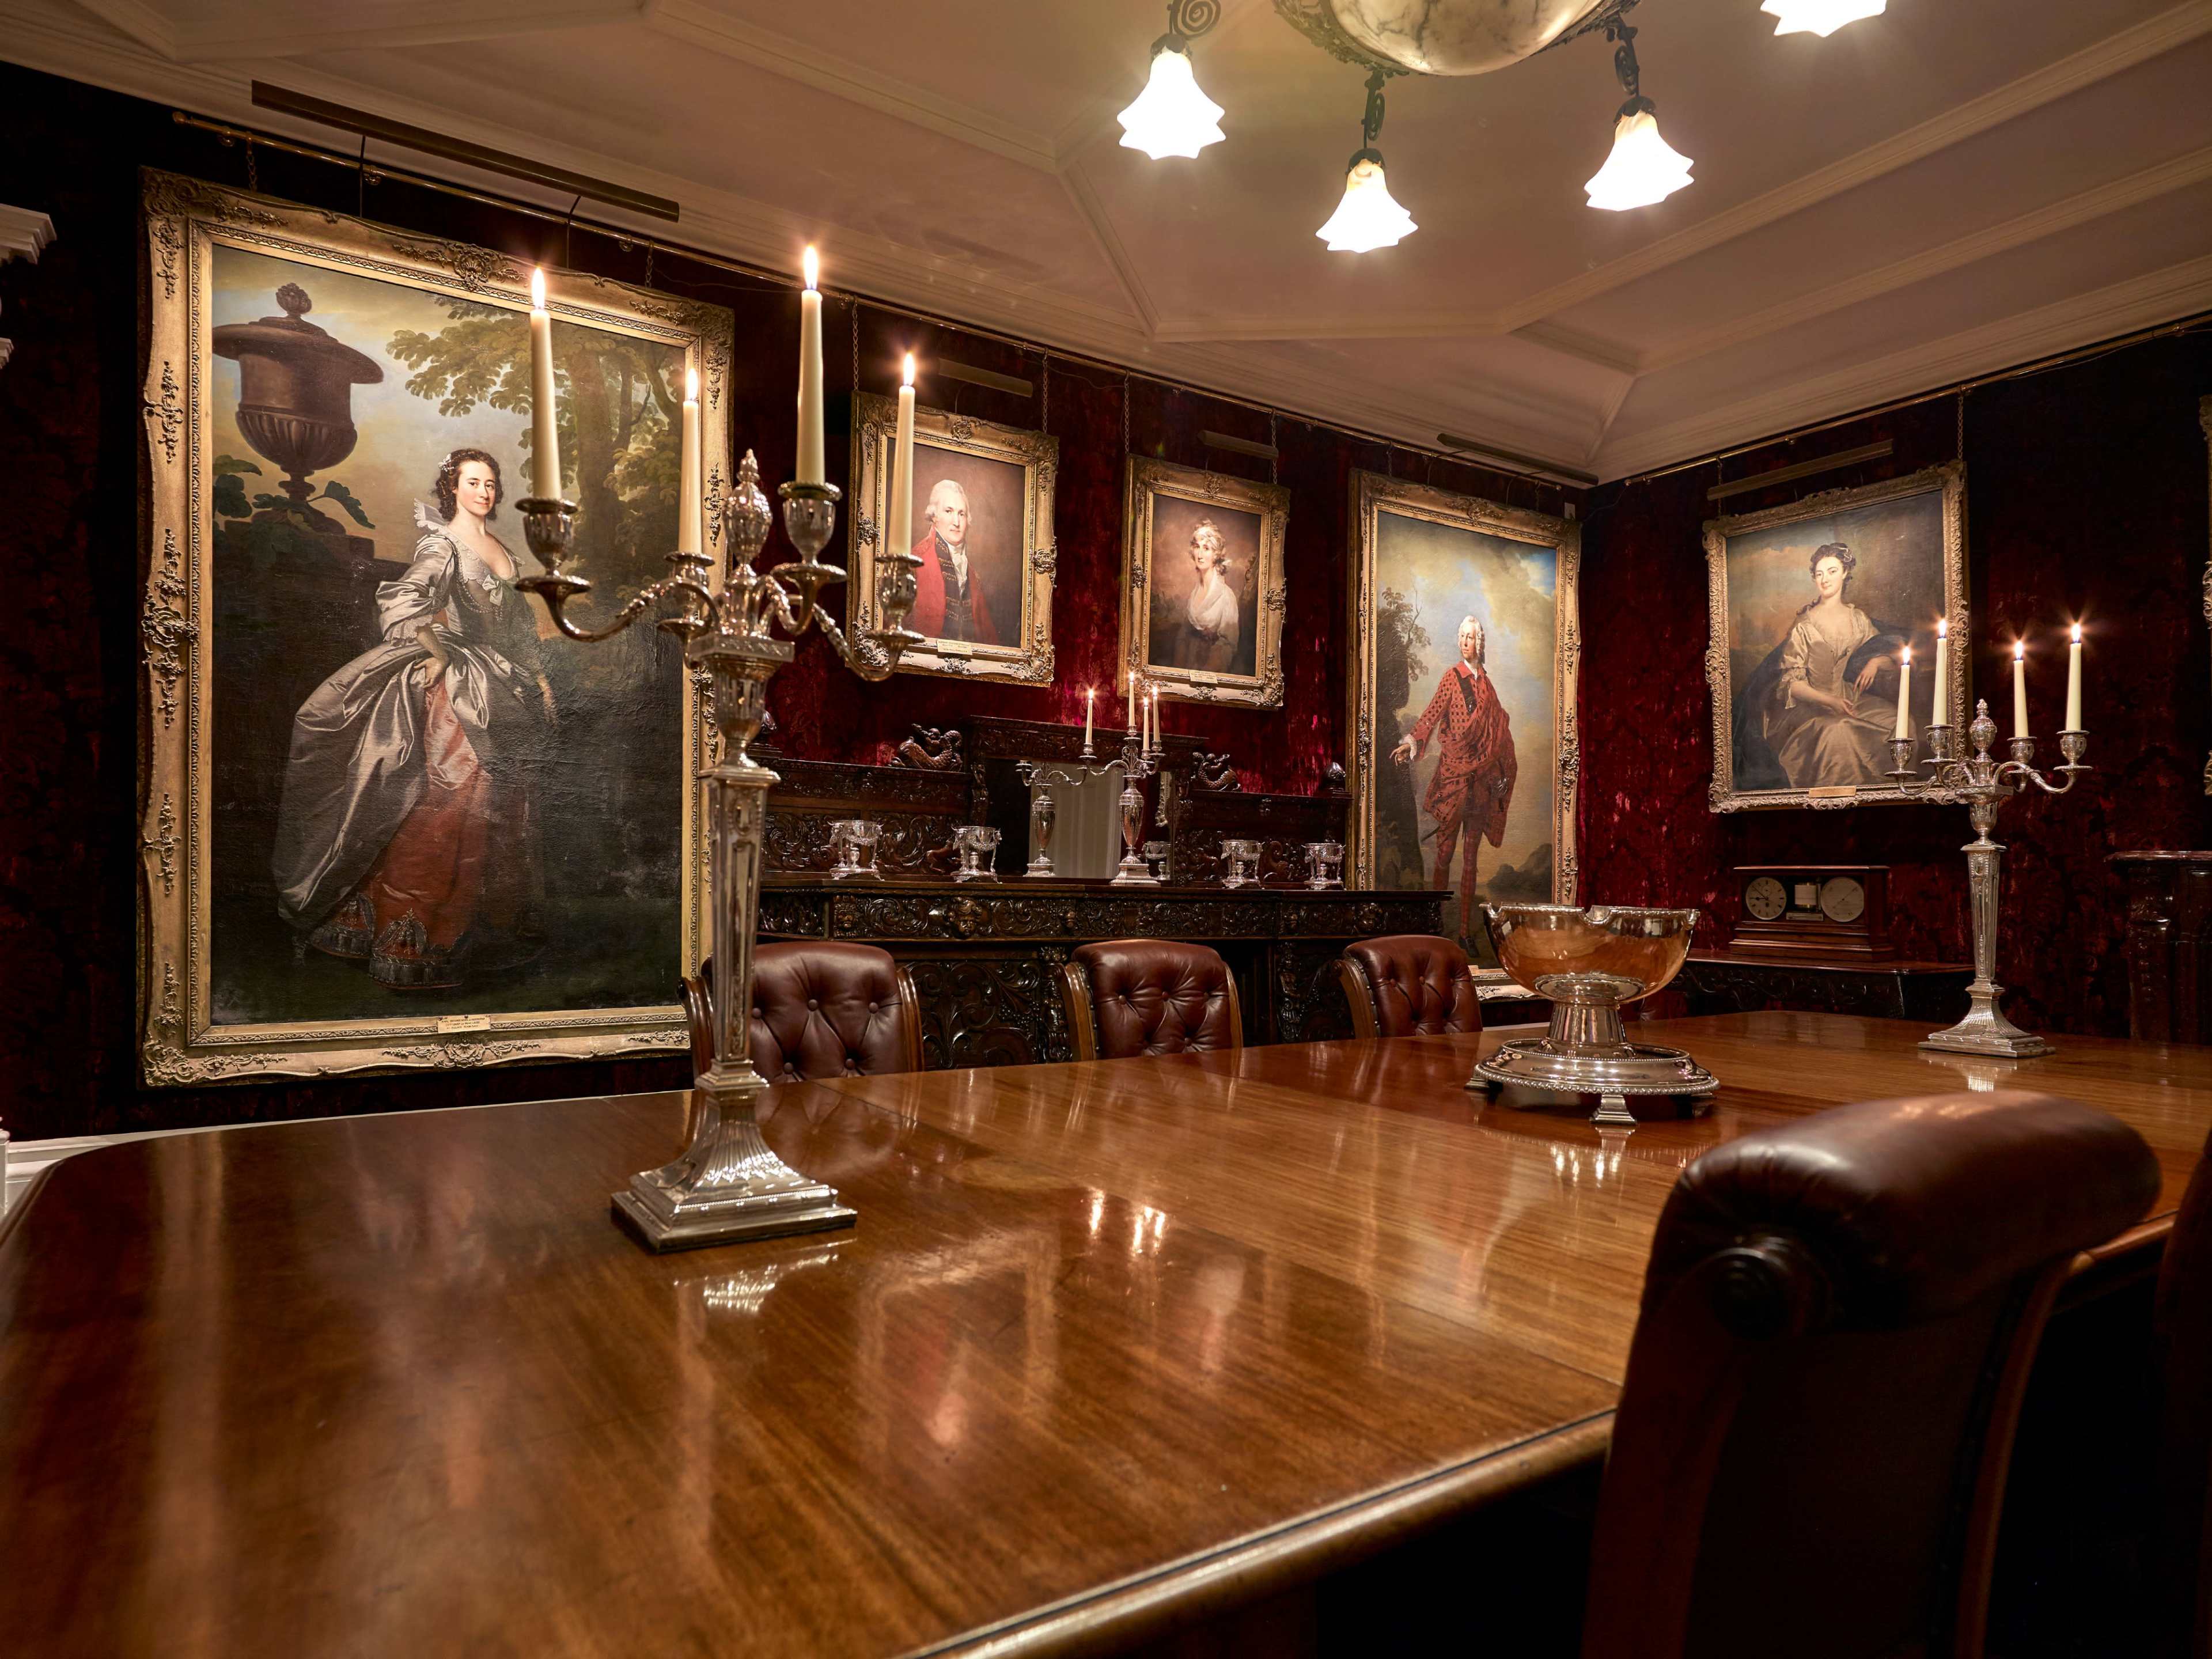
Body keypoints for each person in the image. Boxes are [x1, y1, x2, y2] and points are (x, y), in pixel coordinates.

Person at [271, 448, 553, 989]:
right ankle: (409, 924)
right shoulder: (442, 544)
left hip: (502, 680)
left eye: (492, 483)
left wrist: (537, 678)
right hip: (457, 685)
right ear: (453, 487)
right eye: (474, 482)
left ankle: (468, 923)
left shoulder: (502, 550)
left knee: (496, 800)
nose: (485, 492)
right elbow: (404, 602)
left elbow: (516, 627)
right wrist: (440, 652)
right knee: (449, 797)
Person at [1391, 614, 1517, 944]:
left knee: (1472, 858)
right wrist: (1411, 742)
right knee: (1445, 853)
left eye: (1470, 637)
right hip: (1453, 778)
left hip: (1481, 783)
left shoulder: (1488, 686)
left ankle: (1464, 933)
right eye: (1461, 636)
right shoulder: (1451, 678)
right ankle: (1436, 929)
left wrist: (1503, 773)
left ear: (1480, 642)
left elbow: (1500, 733)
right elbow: (1431, 714)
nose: (1465, 641)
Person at [1753, 541, 1905, 790]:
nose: (1825, 579)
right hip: (1807, 707)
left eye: (1832, 571)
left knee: (1898, 721)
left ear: (1845, 573)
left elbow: (1891, 659)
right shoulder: (1804, 625)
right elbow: (1792, 686)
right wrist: (1829, 701)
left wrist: (1876, 662)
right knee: (1838, 732)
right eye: (1819, 573)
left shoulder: (1859, 619)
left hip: (1848, 696)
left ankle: (1884, 793)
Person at [909, 478, 998, 644]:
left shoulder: (972, 574)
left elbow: (989, 638)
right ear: (935, 517)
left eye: (961, 514)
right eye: (949, 511)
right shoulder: (914, 562)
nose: (956, 522)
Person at [1173, 519, 1241, 673]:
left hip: (1210, 674)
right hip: (1188, 671)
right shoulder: (1193, 595)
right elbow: (1182, 638)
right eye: (1197, 547)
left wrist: (1205, 672)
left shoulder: (1226, 597)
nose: (1201, 554)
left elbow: (1228, 645)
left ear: (1216, 554)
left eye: (1207, 548)